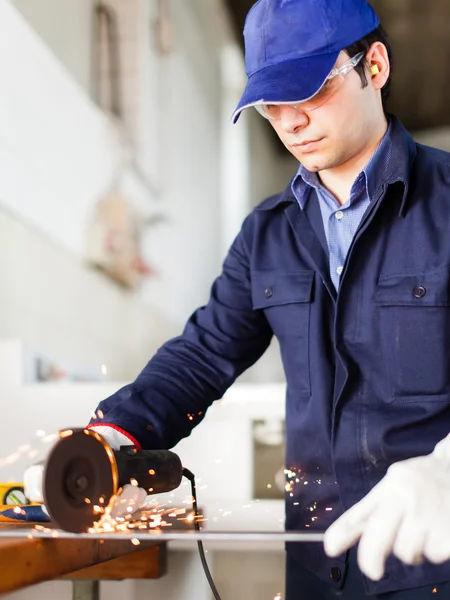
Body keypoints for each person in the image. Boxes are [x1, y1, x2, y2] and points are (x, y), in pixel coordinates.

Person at [28, 0, 450, 598]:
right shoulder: (267, 234)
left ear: (373, 66)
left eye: (312, 89)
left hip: (432, 563)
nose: (290, 120)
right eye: (272, 103)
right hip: (316, 564)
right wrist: (111, 435)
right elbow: (202, 356)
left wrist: (448, 470)